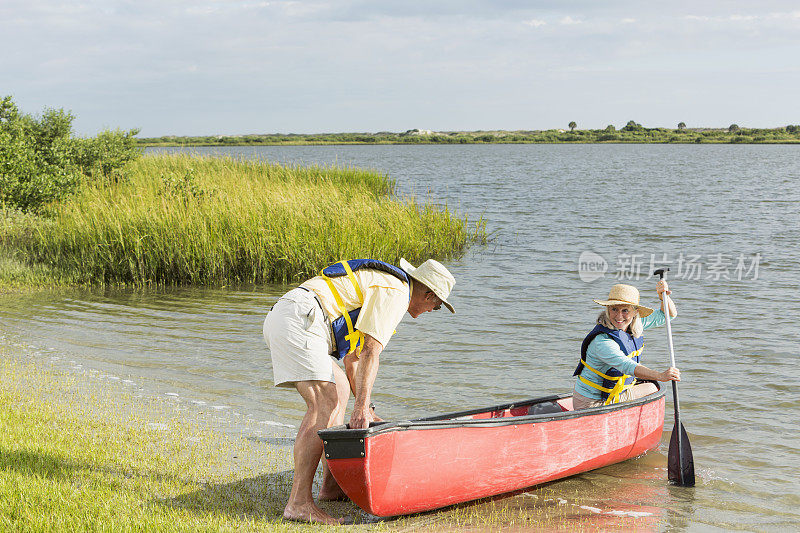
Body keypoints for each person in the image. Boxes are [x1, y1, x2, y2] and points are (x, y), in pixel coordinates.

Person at [262, 258, 456, 524]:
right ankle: (298, 504)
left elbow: (353, 358)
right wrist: (360, 408)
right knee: (324, 401)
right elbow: (369, 353)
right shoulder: (397, 293)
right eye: (438, 305)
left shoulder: (390, 287)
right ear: (428, 294)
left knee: (339, 389)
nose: (435, 309)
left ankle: (330, 488)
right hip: (301, 319)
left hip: (294, 316)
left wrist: (367, 408)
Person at [572, 281, 680, 410]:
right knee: (653, 387)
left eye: (625, 310)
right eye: (614, 309)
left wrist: (664, 297)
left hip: (609, 395)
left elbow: (668, 315)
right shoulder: (602, 342)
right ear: (607, 310)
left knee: (646, 380)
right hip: (591, 404)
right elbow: (627, 366)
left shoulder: (632, 325)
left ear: (635, 312)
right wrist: (661, 376)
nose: (619, 316)